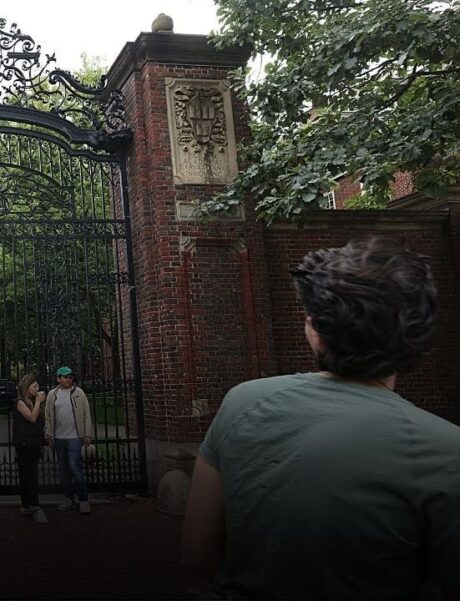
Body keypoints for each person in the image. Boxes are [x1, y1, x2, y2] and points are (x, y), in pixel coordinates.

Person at [182, 239, 459, 601]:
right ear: (418, 334)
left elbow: (198, 555)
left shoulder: (242, 402)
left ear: (314, 330)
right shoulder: (448, 450)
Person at [43, 366, 93, 515]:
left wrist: (87, 434)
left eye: (70, 377)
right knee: (64, 471)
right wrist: (49, 434)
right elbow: (48, 416)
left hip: (74, 437)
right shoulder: (52, 394)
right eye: (65, 377)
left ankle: (83, 499)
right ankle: (68, 499)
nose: (69, 380)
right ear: (58, 379)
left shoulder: (79, 393)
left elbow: (86, 414)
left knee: (74, 467)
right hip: (59, 438)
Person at [12, 374, 47, 524]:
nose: (37, 389)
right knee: (28, 475)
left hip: (34, 443)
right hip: (24, 444)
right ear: (26, 388)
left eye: (37, 386)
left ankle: (28, 504)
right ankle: (32, 505)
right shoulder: (20, 402)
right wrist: (38, 401)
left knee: (30, 474)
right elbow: (32, 418)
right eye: (34, 386)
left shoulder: (32, 402)